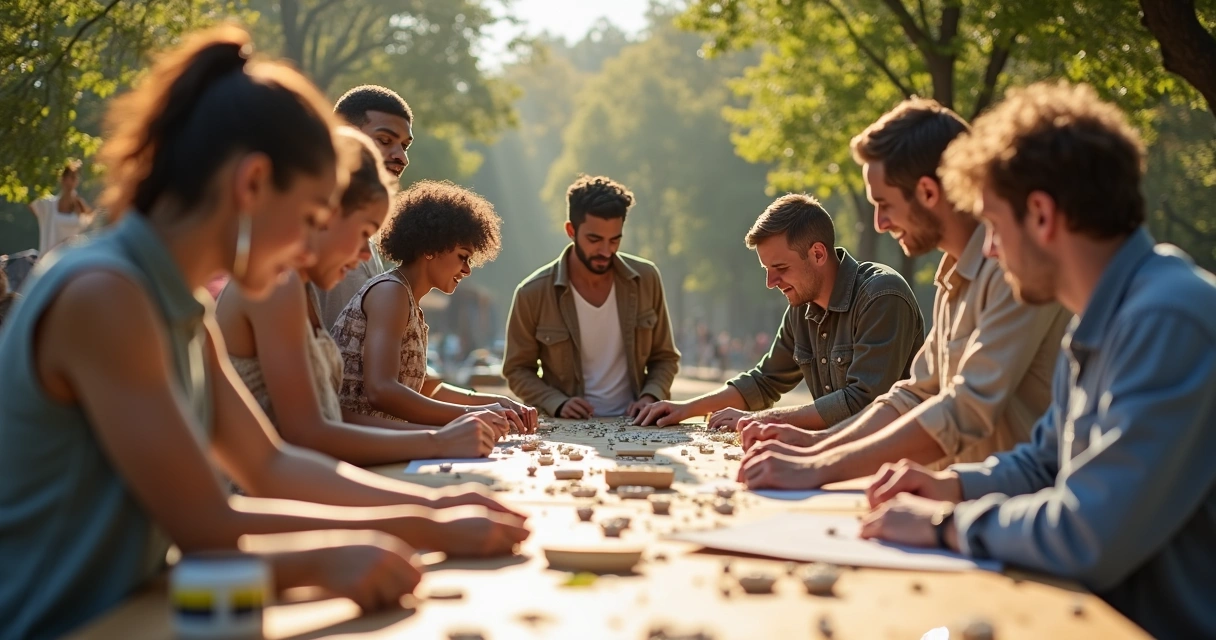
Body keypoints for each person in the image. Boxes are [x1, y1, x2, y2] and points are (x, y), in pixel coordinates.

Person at [0, 27, 527, 640]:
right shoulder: (106, 293)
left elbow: (270, 465)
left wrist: (436, 507)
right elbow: (210, 523)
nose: (311, 246)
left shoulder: (182, 304)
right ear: (251, 185)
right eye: (309, 218)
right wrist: (367, 548)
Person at [860, 81, 1216, 639]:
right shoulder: (1105, 315)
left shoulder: (1168, 319)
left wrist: (948, 523)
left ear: (1043, 215)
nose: (992, 251)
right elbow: (1042, 464)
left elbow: (1090, 533)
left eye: (994, 227)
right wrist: (952, 485)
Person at [738, 98, 1071, 490]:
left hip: (1013, 513)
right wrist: (814, 447)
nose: (879, 224)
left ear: (928, 192)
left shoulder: (1012, 268)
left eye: (884, 205)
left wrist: (819, 466)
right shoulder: (954, 275)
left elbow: (964, 409)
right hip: (963, 503)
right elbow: (913, 395)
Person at [215, 127, 507, 465]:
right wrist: (438, 440)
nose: (367, 256)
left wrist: (452, 430)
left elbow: (332, 419)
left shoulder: (295, 288)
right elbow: (310, 436)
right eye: (365, 232)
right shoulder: (275, 286)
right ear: (327, 214)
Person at [634, 194, 923, 430]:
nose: (771, 283)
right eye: (767, 270)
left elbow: (862, 403)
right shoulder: (801, 306)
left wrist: (760, 421)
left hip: (901, 469)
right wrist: (684, 409)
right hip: (841, 454)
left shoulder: (882, 296)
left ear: (818, 254)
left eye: (780, 268)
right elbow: (763, 381)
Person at [332, 180, 538, 433]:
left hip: (382, 438)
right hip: (355, 442)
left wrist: (498, 402)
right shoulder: (390, 292)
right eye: (462, 256)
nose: (467, 270)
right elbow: (381, 390)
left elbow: (427, 387)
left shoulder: (407, 298)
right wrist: (472, 415)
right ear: (431, 248)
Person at [503, 175, 680, 419]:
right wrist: (557, 402)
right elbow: (517, 369)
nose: (606, 251)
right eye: (594, 240)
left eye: (614, 240)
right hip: (567, 429)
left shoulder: (646, 279)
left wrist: (650, 397)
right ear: (570, 230)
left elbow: (665, 357)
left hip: (639, 424)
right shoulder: (532, 292)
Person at [315, 85, 414, 328]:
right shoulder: (314, 226)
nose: (402, 157)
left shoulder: (366, 243)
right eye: (385, 140)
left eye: (404, 145)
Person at [28, 159, 95, 255]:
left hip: (71, 260)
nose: (71, 181)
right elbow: (29, 201)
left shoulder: (80, 206)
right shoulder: (48, 205)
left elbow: (91, 228)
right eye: (70, 177)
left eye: (74, 177)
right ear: (62, 179)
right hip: (48, 260)